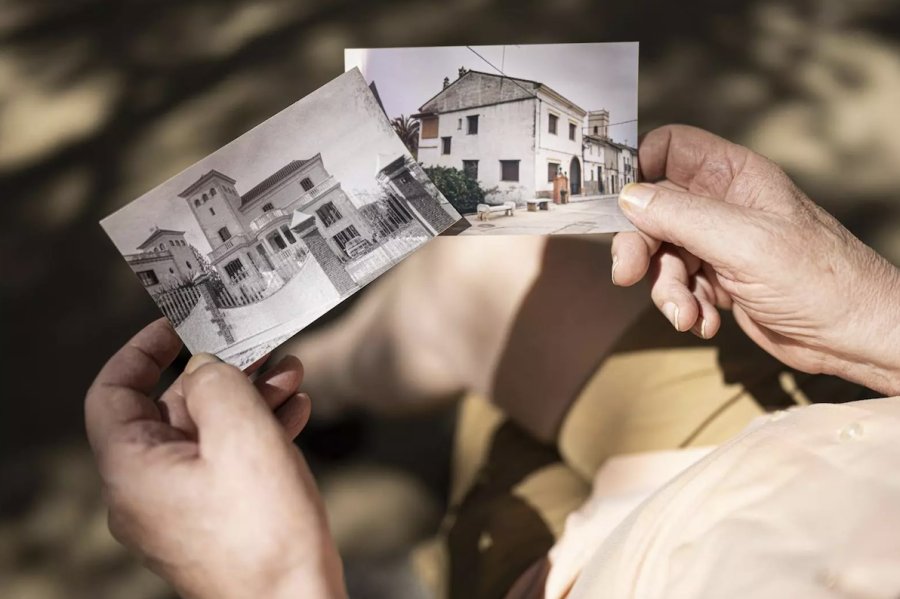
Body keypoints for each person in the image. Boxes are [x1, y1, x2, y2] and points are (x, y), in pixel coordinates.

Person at [85, 125, 900, 599]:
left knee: (481, 497)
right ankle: (318, 382)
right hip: (805, 452)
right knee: (482, 274)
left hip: (609, 577)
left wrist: (276, 580)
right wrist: (871, 314)